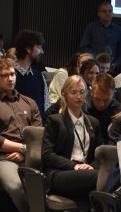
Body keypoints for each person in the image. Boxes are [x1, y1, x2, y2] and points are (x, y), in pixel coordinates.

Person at [0, 57, 42, 212]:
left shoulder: (29, 103)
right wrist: (22, 148)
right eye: (4, 75)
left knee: (50, 180)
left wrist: (24, 153)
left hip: (30, 156)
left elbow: (38, 136)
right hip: (2, 158)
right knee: (15, 186)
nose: (10, 78)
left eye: (12, 74)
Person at [42, 75, 102, 204]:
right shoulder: (55, 121)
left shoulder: (93, 123)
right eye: (73, 93)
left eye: (82, 92)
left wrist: (90, 166)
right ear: (64, 95)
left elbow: (100, 155)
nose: (79, 96)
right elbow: (47, 155)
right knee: (102, 176)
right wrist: (74, 166)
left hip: (87, 171)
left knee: (108, 173)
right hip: (61, 172)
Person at [79, 1, 121, 71]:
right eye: (104, 11)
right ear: (99, 13)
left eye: (110, 11)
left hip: (111, 69)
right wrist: (96, 58)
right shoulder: (91, 27)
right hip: (94, 67)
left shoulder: (118, 30)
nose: (107, 14)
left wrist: (116, 64)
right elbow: (83, 47)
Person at [13, 30, 48, 113]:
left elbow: (46, 106)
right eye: (39, 47)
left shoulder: (39, 77)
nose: (42, 52)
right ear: (28, 49)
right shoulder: (10, 76)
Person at [84, 72, 119, 139]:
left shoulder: (117, 111)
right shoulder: (82, 105)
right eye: (97, 99)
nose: (101, 104)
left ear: (113, 94)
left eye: (106, 100)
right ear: (91, 91)